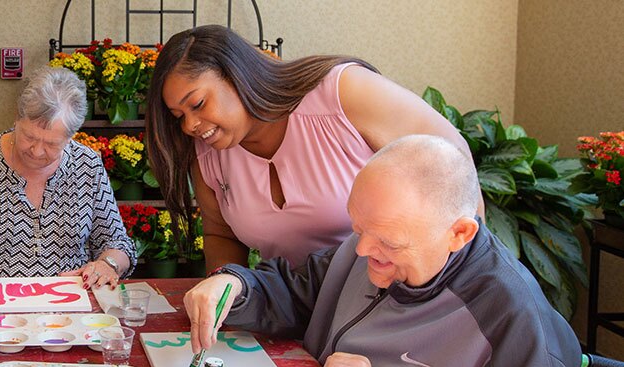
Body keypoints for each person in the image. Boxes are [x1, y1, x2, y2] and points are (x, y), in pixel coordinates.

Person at [184, 135, 581, 367]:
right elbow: (299, 291)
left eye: (388, 243)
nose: (361, 252)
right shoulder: (373, 244)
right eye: (359, 229)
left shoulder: (510, 323)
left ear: (458, 234)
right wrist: (236, 286)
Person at [146, 25, 477, 271]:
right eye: (179, 116)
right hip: (301, 312)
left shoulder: (343, 92)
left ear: (237, 75)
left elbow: (452, 162)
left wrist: (458, 281)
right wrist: (226, 297)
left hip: (395, 303)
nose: (190, 125)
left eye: (199, 103)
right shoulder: (207, 152)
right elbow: (221, 235)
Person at [0, 67, 136, 288]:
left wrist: (108, 264)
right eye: (29, 136)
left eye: (51, 144)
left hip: (67, 309)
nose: (36, 151)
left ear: (71, 137)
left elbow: (118, 243)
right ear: (17, 119)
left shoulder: (87, 166)